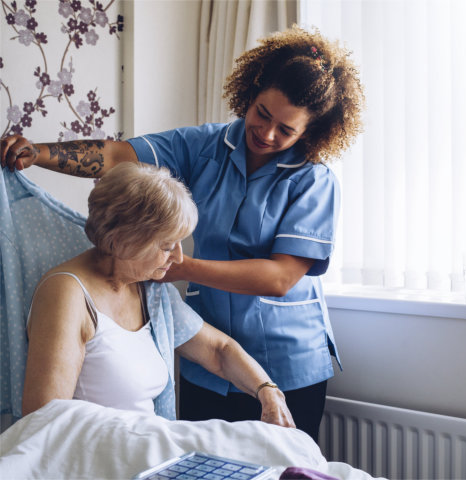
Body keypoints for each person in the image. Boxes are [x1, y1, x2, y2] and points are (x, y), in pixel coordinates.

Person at [2, 26, 364, 439]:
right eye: (263, 114)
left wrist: (179, 265)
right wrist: (38, 154)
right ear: (251, 93)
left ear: (311, 133)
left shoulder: (314, 181)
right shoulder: (204, 146)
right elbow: (119, 155)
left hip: (288, 361)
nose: (266, 133)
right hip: (207, 360)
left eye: (286, 130)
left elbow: (280, 278)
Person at [21, 161, 295, 430]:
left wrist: (268, 391)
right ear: (122, 240)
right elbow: (44, 422)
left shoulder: (149, 290)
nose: (178, 257)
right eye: (166, 246)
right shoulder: (67, 294)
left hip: (145, 453)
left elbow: (218, 350)